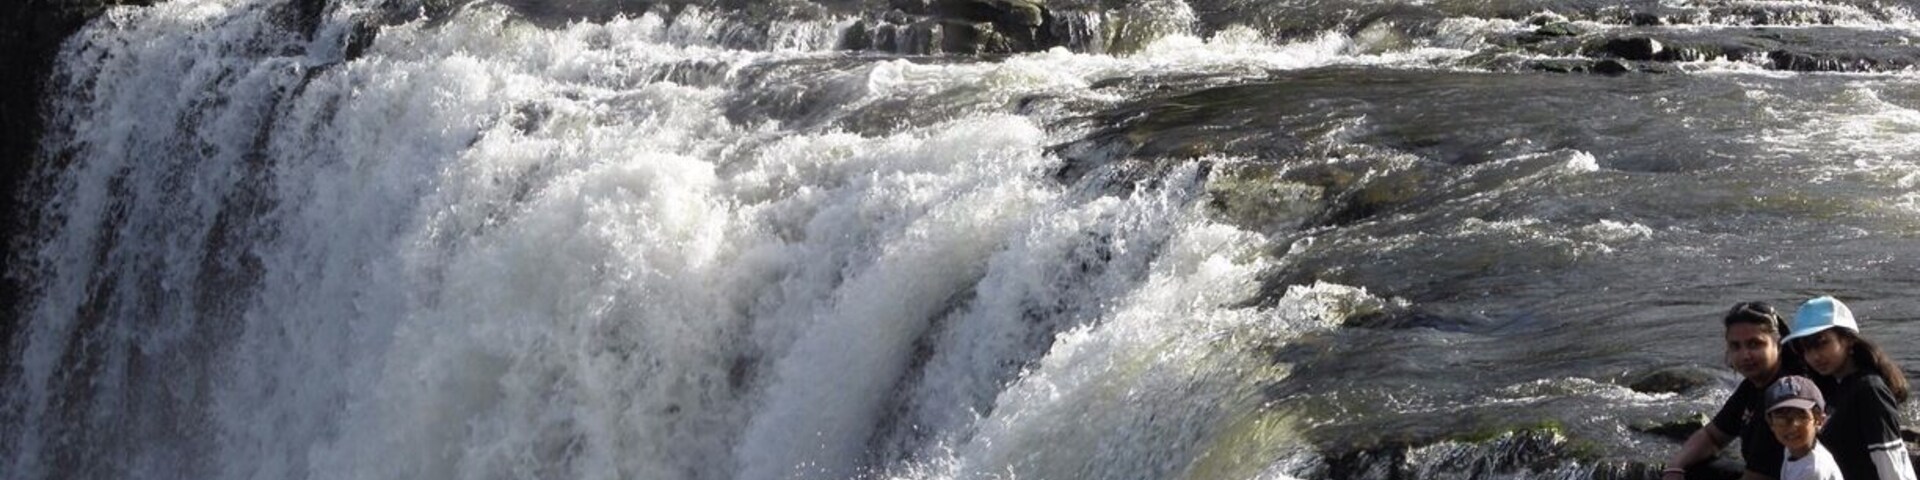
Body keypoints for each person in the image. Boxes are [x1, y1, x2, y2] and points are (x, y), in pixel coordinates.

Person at [1665, 301, 1805, 480]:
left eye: (1755, 344)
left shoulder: (1787, 395)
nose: (1745, 355)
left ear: (1778, 345)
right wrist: (1675, 467)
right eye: (1736, 346)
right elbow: (1712, 436)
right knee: (1692, 467)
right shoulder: (1752, 386)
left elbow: (1759, 477)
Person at [1784, 296, 1916, 480]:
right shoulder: (1831, 387)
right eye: (1806, 348)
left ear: (1848, 339)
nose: (1814, 356)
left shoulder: (1869, 390)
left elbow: (1892, 467)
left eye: (1822, 343)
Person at [1766, 375, 1842, 480]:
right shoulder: (1792, 450)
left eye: (1801, 417)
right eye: (1782, 418)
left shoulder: (1813, 470)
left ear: (1819, 420)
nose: (1792, 426)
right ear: (1770, 423)